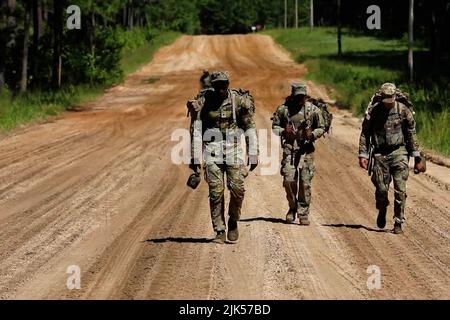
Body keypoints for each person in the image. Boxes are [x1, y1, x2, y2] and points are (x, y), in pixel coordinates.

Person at [187, 71, 259, 243]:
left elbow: (249, 125)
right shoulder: (204, 102)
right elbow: (196, 129)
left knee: (237, 189)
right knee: (216, 192)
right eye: (217, 85)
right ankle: (219, 229)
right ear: (213, 86)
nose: (221, 88)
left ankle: (233, 219)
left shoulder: (238, 101)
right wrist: (195, 158)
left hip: (233, 149)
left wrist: (253, 152)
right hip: (212, 149)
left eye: (224, 84)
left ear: (228, 84)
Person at [358, 83, 426, 234]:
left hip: (399, 152)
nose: (388, 102)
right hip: (380, 154)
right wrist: (363, 154)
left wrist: (417, 156)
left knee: (400, 190)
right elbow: (365, 133)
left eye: (391, 99)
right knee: (381, 189)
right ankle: (382, 208)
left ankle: (398, 221)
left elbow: (411, 133)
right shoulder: (374, 111)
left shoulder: (403, 110)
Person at [272, 83, 326, 225]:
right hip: (290, 150)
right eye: (297, 97)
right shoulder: (283, 110)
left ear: (305, 96)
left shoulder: (313, 110)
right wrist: (284, 131)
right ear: (293, 96)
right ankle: (292, 207)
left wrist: (313, 134)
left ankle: (303, 213)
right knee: (289, 180)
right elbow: (275, 127)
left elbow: (322, 127)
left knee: (305, 183)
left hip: (306, 151)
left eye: (302, 96)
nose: (300, 99)